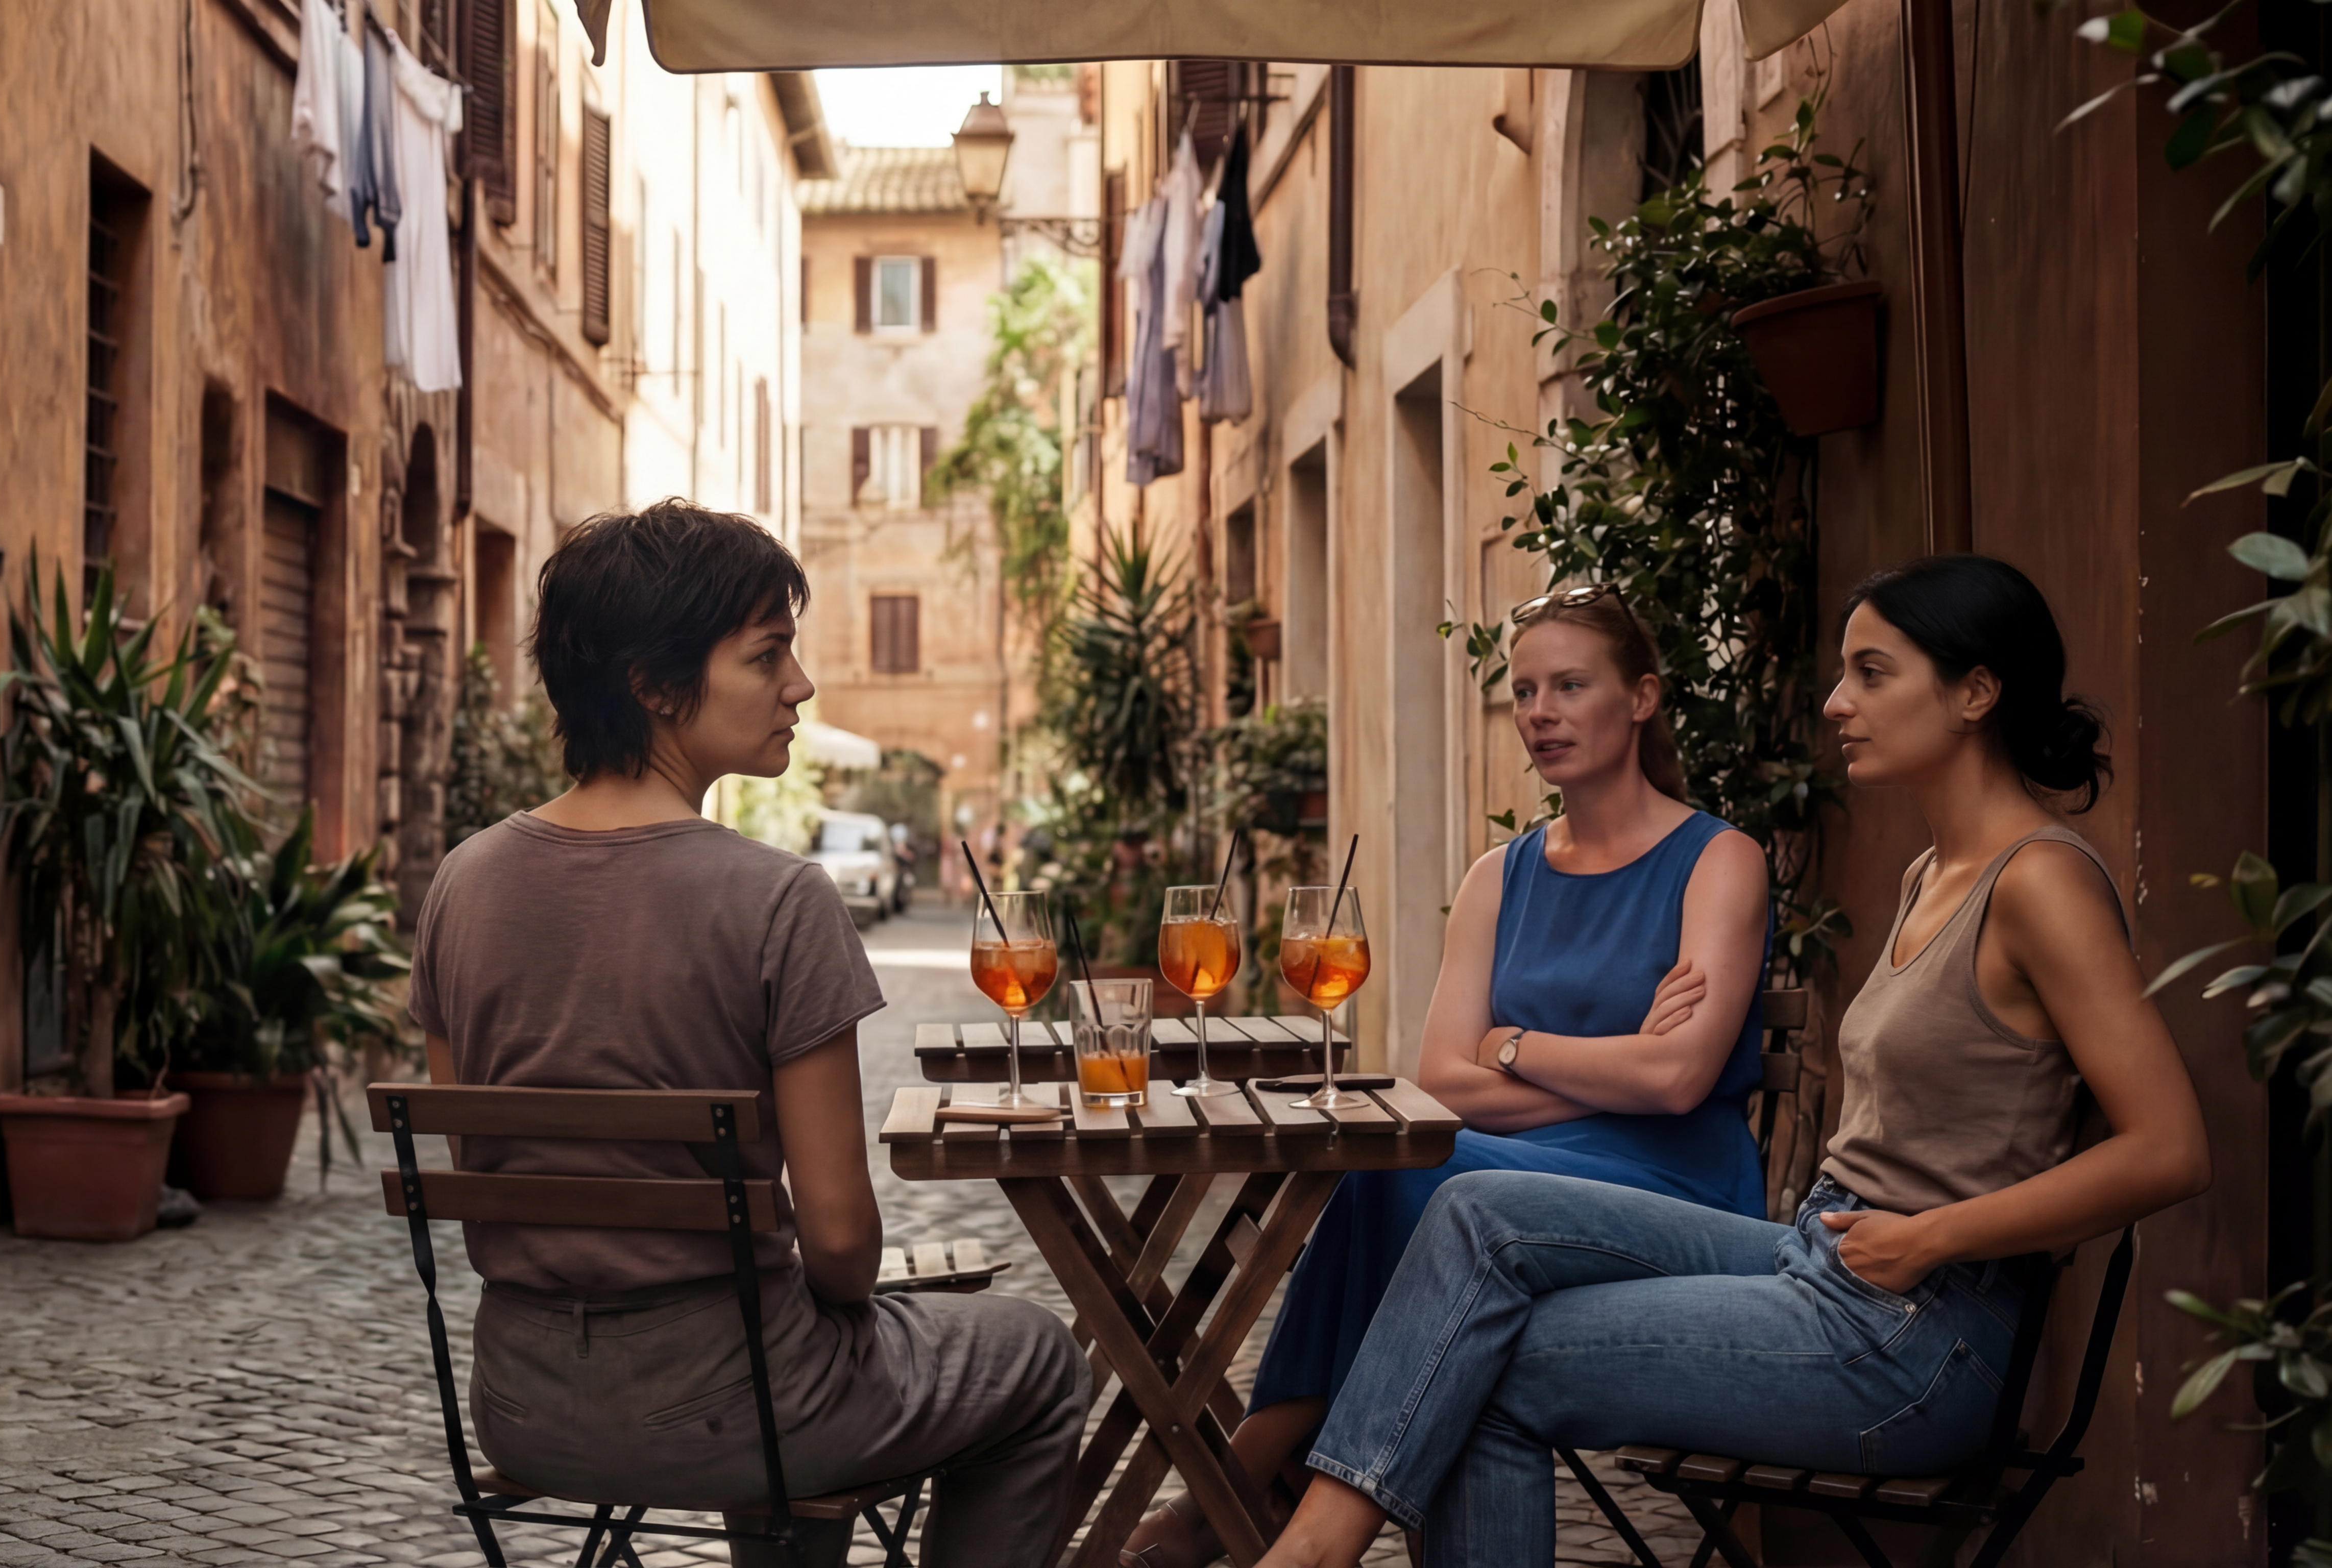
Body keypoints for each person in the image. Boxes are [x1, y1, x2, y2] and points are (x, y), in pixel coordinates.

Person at [1252, 555, 2213, 1568]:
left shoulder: (2041, 882)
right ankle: (1312, 1544)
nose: (1837, 702)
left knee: (1475, 1362)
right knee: (1469, 1212)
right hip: (1825, 1259)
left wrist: (1932, 1236)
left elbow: (2170, 1150)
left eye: (1872, 673)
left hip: (1919, 1335)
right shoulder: (1932, 872)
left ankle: (1309, 1550)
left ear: (1975, 693)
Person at [405, 501, 1089, 1568]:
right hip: (747, 1411)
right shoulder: (778, 900)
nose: (799, 685)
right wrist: (823, 1300)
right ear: (654, 684)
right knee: (1038, 1358)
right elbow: (843, 1244)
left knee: (791, 1350)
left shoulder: (462, 883)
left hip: (523, 1406)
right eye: (768, 655)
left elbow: (481, 1163)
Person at [1126, 586, 1774, 1567]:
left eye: (1571, 686)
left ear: (1642, 698)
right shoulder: (1498, 876)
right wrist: (1621, 1066)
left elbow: (1679, 1084)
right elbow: (1438, 1081)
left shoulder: (1719, 860)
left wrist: (1513, 1045)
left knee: (1416, 1182)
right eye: (1525, 692)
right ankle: (1266, 1481)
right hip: (1508, 1178)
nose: (1541, 712)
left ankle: (1250, 1477)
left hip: (1672, 1189)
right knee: (1395, 1172)